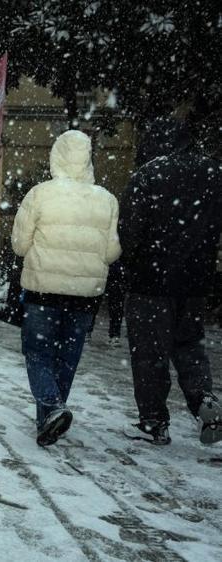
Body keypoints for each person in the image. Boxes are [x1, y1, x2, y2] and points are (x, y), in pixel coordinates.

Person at [11, 130, 120, 447]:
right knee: (67, 358)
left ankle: (52, 408)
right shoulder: (107, 199)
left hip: (44, 291)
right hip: (85, 296)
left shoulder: (40, 194)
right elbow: (112, 252)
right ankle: (49, 417)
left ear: (56, 157)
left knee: (37, 353)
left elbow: (19, 245)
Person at [119, 118, 222, 446]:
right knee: (190, 345)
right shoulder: (213, 174)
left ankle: (153, 420)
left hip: (150, 281)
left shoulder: (147, 176)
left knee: (150, 352)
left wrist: (129, 265)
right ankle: (204, 399)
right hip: (194, 281)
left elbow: (128, 231)